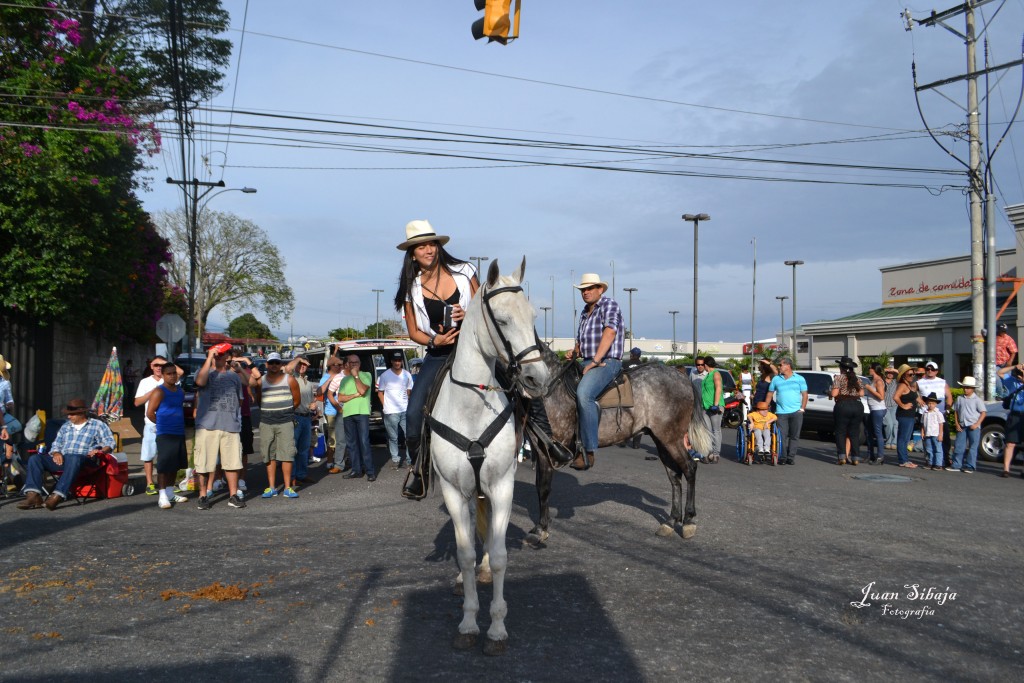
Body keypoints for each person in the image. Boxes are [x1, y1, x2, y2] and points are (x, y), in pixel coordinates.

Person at [394, 219, 479, 498]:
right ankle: (420, 471)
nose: (428, 250)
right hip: (438, 353)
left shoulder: (465, 271)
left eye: (431, 244)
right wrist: (434, 340)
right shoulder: (411, 288)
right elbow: (413, 332)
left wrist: (468, 316)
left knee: (517, 383)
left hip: (473, 348)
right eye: (421, 246)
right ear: (413, 254)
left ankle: (545, 442)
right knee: (413, 414)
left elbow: (484, 307)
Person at [566, 272, 626, 471]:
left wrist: (596, 360)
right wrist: (573, 352)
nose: (586, 292)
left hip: (607, 362)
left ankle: (588, 451)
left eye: (590, 288)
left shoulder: (609, 305)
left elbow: (610, 332)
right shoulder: (584, 312)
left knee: (584, 394)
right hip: (586, 360)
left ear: (600, 289)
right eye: (583, 289)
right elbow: (581, 342)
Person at [17, 398, 115, 511]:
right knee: (35, 459)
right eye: (68, 414)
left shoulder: (97, 425)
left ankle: (57, 495)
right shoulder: (65, 427)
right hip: (64, 459)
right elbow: (56, 444)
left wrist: (101, 451)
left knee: (73, 457)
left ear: (82, 413)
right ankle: (33, 495)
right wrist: (56, 452)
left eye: (72, 414)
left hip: (86, 461)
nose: (68, 417)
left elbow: (110, 443)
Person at [193, 344, 246, 509]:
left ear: (227, 357)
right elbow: (200, 382)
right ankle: (203, 496)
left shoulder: (234, 377)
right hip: (207, 426)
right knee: (204, 463)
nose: (218, 357)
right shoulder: (205, 372)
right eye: (216, 354)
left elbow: (241, 397)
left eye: (222, 354)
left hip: (230, 425)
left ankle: (233, 495)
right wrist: (209, 357)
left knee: (233, 463)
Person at [252, 352, 300, 498]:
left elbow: (296, 400)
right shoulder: (261, 381)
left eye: (277, 363)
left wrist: (285, 412)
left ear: (281, 365)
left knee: (287, 454)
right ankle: (271, 487)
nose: (274, 365)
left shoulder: (290, 379)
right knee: (269, 455)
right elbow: (259, 401)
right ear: (267, 364)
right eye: (271, 363)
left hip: (285, 422)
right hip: (267, 422)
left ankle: (287, 488)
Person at [145, 362, 189, 509]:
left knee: (175, 464)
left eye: (174, 373)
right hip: (165, 433)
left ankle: (170, 493)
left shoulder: (180, 391)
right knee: (164, 465)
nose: (172, 376)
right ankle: (162, 495)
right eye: (169, 374)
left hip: (179, 432)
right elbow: (150, 413)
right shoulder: (159, 391)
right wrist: (162, 425)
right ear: (163, 375)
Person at [134, 356, 178, 496]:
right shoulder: (145, 382)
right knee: (149, 454)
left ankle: (167, 484)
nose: (159, 367)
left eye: (162, 365)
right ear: (151, 366)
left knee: (167, 455)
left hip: (169, 424)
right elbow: (137, 403)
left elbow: (180, 373)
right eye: (156, 365)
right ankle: (149, 483)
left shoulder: (171, 379)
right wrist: (151, 393)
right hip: (151, 423)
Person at [338, 354, 375, 481]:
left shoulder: (366, 375)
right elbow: (340, 398)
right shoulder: (344, 380)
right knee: (351, 444)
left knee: (364, 442)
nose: (354, 364)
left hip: (362, 412)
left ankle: (370, 471)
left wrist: (355, 376)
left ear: (360, 363)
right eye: (352, 362)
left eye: (357, 362)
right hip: (348, 414)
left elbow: (363, 390)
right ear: (347, 364)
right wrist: (354, 395)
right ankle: (356, 470)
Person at [766, 358, 807, 465]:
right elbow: (770, 394)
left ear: (788, 366)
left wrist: (802, 408)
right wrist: (765, 407)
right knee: (781, 436)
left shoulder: (799, 378)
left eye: (781, 365)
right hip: (781, 412)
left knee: (794, 435)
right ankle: (783, 457)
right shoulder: (776, 379)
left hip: (796, 412)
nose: (779, 367)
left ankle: (791, 457)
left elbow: (805, 394)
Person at [377, 351, 413, 470]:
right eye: (395, 360)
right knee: (393, 437)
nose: (397, 362)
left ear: (402, 361)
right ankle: (395, 459)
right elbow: (380, 392)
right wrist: (385, 406)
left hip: (405, 410)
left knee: (409, 437)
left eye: (399, 360)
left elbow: (409, 391)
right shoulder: (385, 375)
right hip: (391, 411)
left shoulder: (407, 374)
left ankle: (409, 460)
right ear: (391, 361)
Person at [916, 361, 953, 465]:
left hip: (940, 413)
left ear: (937, 371)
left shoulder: (942, 382)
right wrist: (918, 399)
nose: (930, 371)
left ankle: (945, 458)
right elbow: (912, 391)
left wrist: (948, 408)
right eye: (928, 369)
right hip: (925, 413)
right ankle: (929, 459)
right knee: (927, 437)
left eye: (932, 369)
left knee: (944, 437)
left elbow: (949, 396)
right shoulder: (920, 382)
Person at [288, 356, 317, 489]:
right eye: (300, 364)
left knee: (304, 449)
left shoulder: (309, 383)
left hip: (306, 417)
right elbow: (287, 370)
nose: (303, 366)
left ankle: (301, 474)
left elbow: (311, 400)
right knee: (293, 448)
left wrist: (313, 406)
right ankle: (292, 477)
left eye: (305, 364)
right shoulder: (291, 378)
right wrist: (297, 359)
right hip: (295, 416)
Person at [830, 356, 864, 465]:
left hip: (843, 405)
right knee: (854, 432)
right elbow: (862, 393)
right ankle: (855, 457)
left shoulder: (838, 378)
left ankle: (842, 457)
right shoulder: (857, 379)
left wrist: (832, 392)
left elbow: (834, 394)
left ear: (841, 368)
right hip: (857, 405)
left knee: (841, 432)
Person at [949, 376, 985, 473]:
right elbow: (955, 411)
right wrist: (956, 423)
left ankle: (970, 465)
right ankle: (957, 464)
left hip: (973, 425)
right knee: (959, 445)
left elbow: (983, 413)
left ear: (973, 389)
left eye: (968, 387)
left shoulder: (977, 400)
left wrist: (977, 424)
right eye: (964, 387)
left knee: (973, 446)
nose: (965, 389)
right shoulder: (960, 398)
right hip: (962, 424)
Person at [319, 355, 347, 473]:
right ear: (331, 366)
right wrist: (331, 379)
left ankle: (341, 460)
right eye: (338, 365)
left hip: (343, 410)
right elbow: (320, 392)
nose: (341, 367)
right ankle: (330, 461)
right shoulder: (325, 376)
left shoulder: (343, 376)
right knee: (332, 438)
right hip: (331, 411)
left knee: (343, 437)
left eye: (342, 364)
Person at [996, 364, 1024, 478]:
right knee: (1010, 443)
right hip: (1014, 415)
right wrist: (1014, 367)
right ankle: (1006, 469)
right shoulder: (1012, 381)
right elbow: (1000, 372)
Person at [893, 364, 919, 468]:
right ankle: (903, 460)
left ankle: (905, 459)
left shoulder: (908, 385)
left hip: (910, 415)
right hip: (904, 415)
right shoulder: (902, 385)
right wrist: (903, 406)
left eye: (913, 374)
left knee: (906, 438)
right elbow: (895, 397)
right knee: (903, 438)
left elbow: (915, 397)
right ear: (904, 375)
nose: (912, 376)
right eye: (910, 374)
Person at [700, 356, 726, 464]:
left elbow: (718, 388)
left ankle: (716, 454)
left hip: (715, 406)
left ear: (706, 365)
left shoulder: (716, 374)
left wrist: (715, 405)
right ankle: (708, 453)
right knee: (707, 431)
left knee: (716, 430)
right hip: (705, 407)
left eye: (703, 364)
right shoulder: (707, 376)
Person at [621, 347, 646, 452]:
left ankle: (624, 440)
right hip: (640, 394)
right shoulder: (643, 365)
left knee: (625, 416)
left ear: (631, 354)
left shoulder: (625, 363)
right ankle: (636, 443)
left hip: (627, 392)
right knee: (639, 417)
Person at [864, 363, 888, 464]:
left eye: (870, 368)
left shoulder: (879, 381)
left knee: (878, 433)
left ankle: (880, 456)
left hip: (878, 409)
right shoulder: (873, 380)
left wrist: (869, 389)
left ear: (874, 369)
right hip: (873, 409)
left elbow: (881, 396)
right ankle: (870, 455)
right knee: (868, 431)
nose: (869, 369)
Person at [921, 393, 944, 470]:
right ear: (927, 403)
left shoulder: (938, 413)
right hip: (927, 433)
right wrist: (922, 432)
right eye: (929, 403)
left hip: (936, 433)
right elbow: (923, 424)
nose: (930, 405)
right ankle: (930, 462)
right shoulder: (925, 413)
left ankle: (938, 464)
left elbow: (941, 424)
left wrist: (940, 434)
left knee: (937, 449)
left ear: (936, 404)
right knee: (929, 449)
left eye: (933, 403)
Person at [882, 366, 899, 451]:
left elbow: (902, 375)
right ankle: (888, 442)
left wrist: (893, 370)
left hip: (894, 405)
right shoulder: (882, 381)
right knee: (889, 424)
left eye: (892, 373)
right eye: (889, 373)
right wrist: (886, 369)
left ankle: (894, 442)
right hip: (884, 405)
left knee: (895, 424)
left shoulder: (895, 382)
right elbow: (879, 372)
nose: (890, 374)